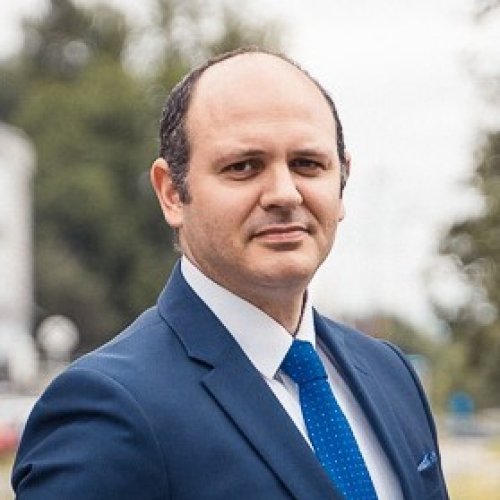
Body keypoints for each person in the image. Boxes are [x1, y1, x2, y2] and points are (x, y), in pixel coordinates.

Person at [12, 47, 449, 499]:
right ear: (171, 193)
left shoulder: (391, 375)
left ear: (342, 181)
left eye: (307, 164)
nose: (284, 194)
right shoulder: (106, 411)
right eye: (243, 167)